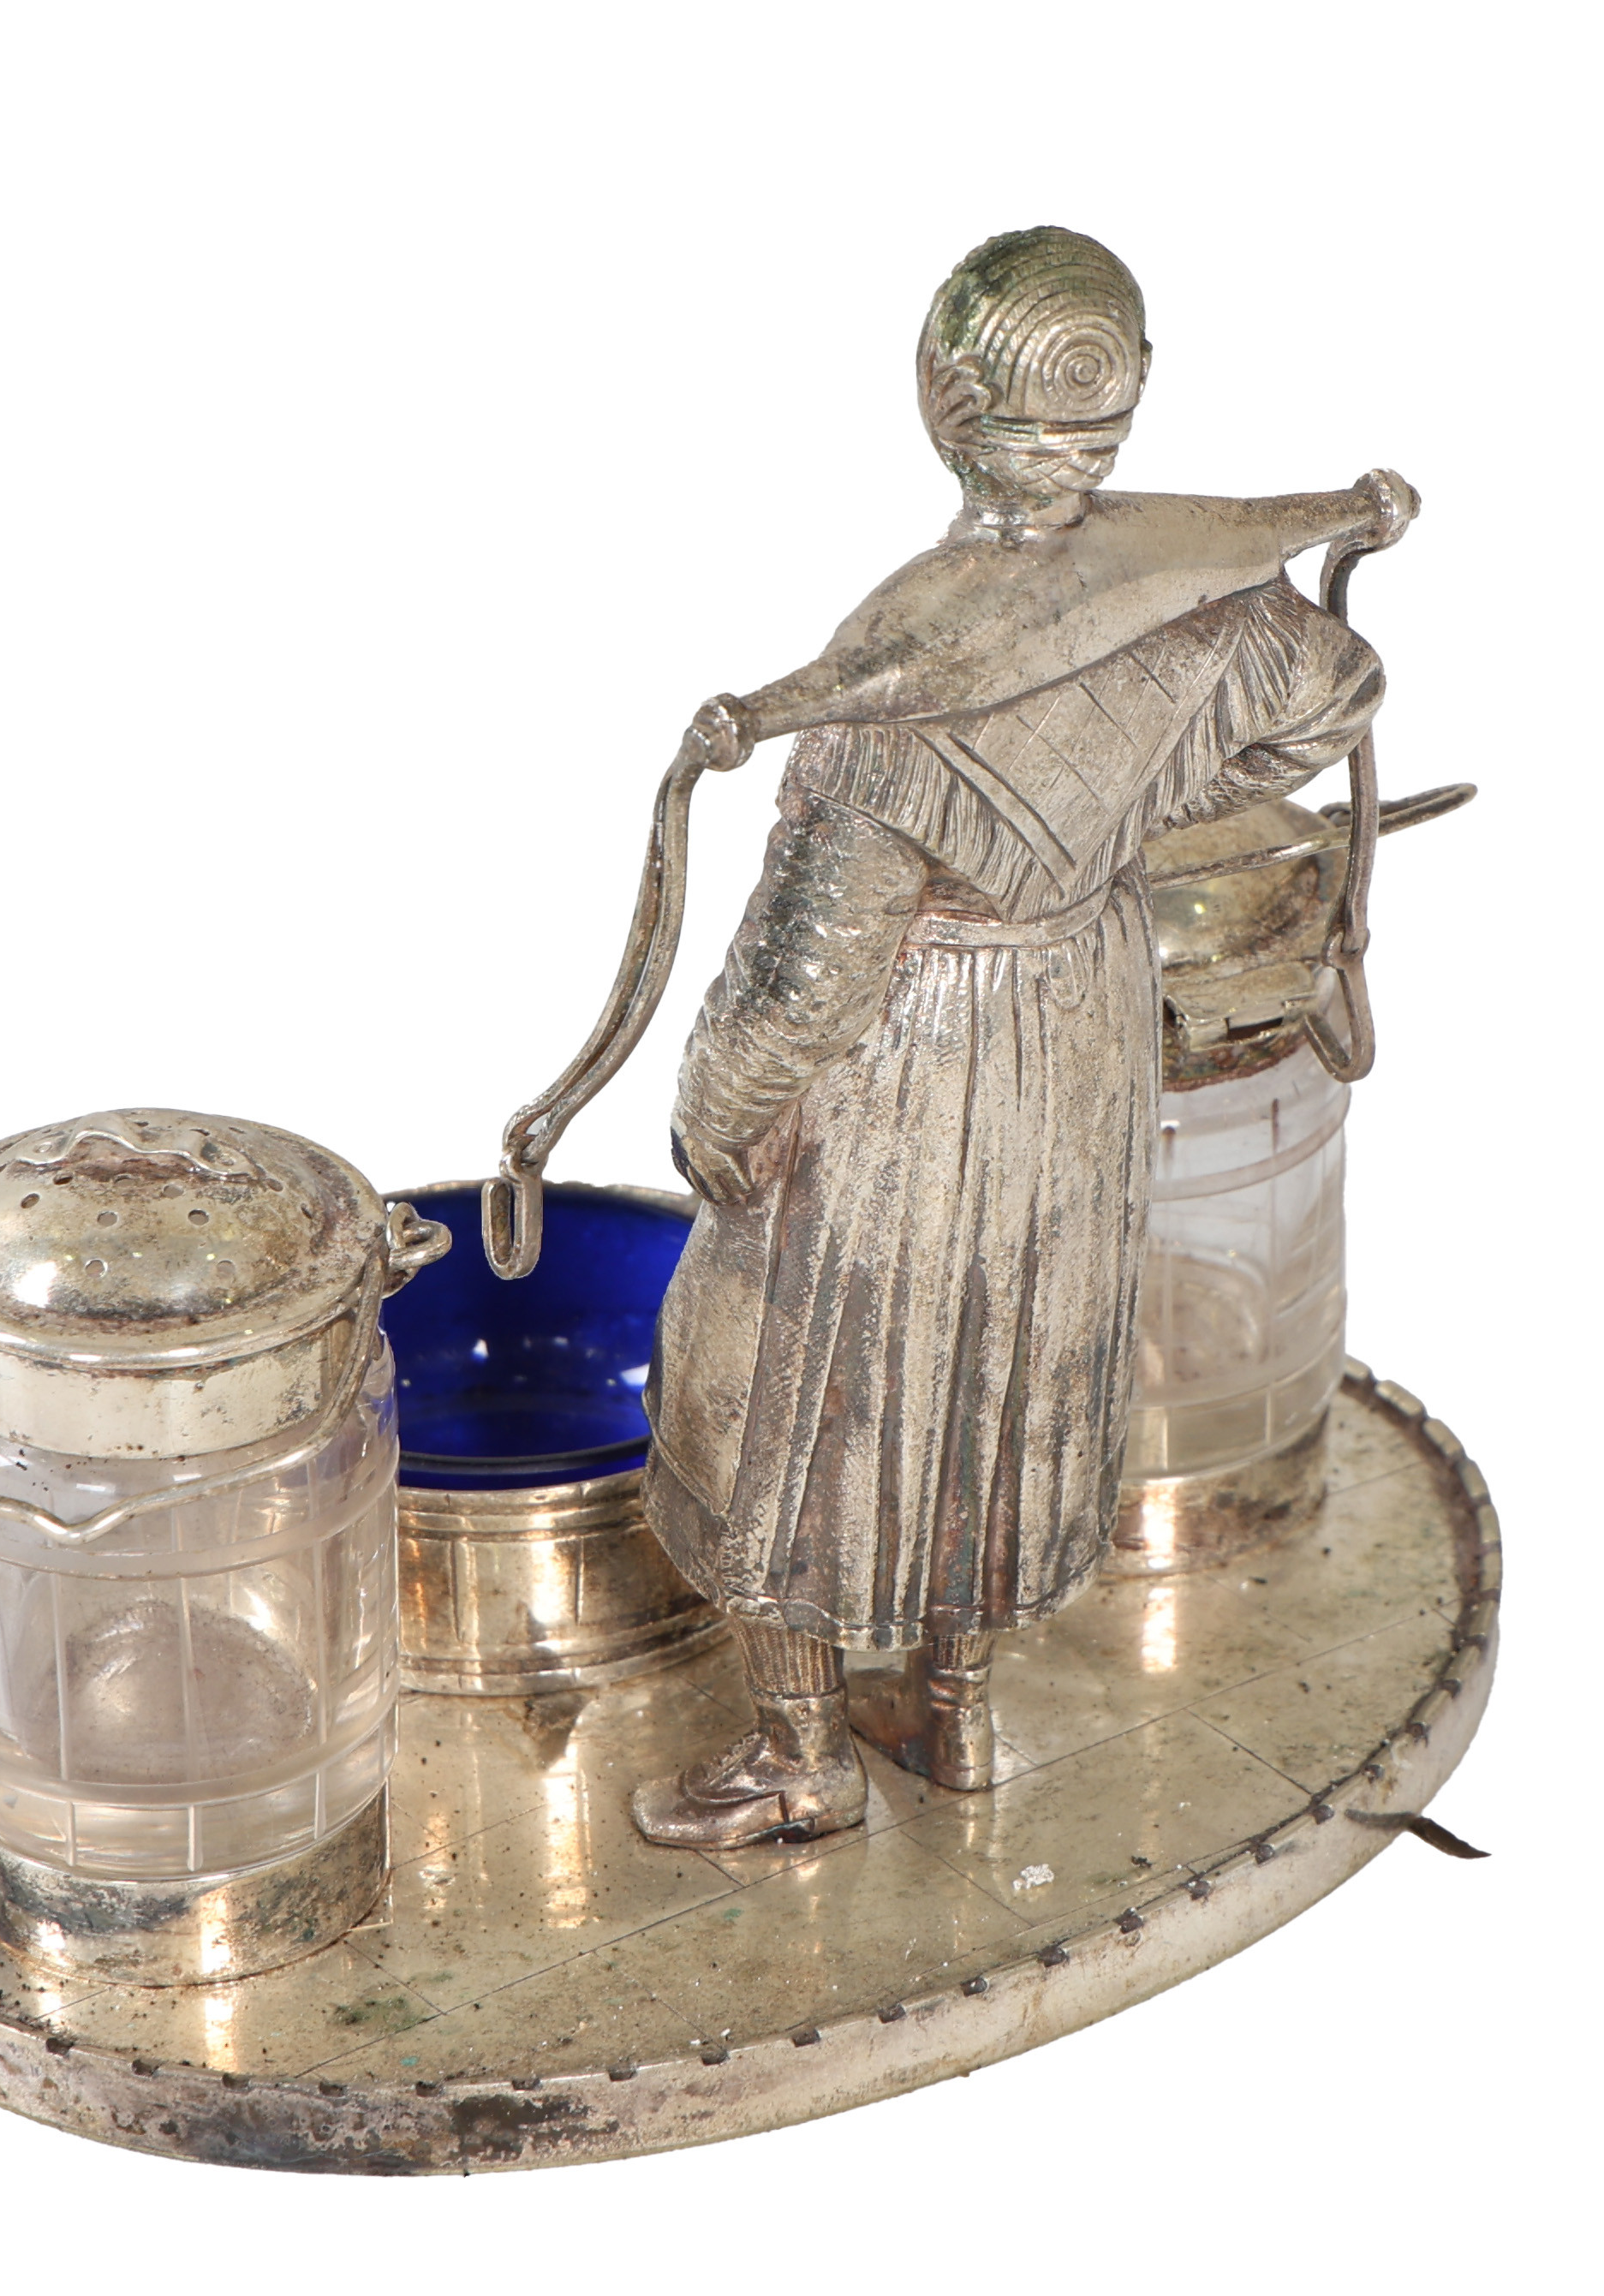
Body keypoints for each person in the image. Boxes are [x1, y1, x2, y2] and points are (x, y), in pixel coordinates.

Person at [631, 224, 1404, 1851]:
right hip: (1076, 1018)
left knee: (776, 1379)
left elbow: (812, 962)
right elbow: (1332, 688)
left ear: (940, 396)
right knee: (1009, 1353)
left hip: (912, 1059)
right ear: (1122, 400)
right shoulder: (1176, 591)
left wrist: (716, 1106)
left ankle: (801, 1750)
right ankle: (956, 1709)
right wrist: (1130, 811)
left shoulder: (910, 654)